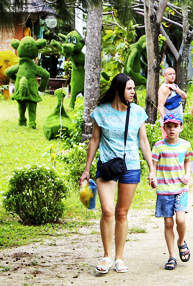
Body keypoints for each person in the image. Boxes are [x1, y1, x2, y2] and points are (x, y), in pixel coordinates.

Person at [79, 73, 153, 274]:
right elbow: (94, 140)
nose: (133, 92)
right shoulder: (101, 112)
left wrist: (152, 169)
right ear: (119, 90)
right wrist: (87, 170)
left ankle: (119, 258)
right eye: (129, 88)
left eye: (133, 88)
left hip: (130, 167)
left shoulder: (138, 112)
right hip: (107, 166)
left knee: (121, 213)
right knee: (108, 210)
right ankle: (106, 256)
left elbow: (144, 142)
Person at [149, 113, 192, 270]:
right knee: (168, 222)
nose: (172, 129)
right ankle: (172, 256)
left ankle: (181, 241)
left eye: (175, 126)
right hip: (164, 190)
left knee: (180, 220)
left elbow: (188, 161)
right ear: (164, 128)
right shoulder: (158, 146)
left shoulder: (185, 145)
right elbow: (153, 165)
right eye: (169, 126)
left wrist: (187, 174)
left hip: (181, 189)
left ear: (181, 127)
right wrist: (152, 176)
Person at [158, 67, 188, 138]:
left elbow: (185, 96)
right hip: (169, 123)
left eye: (174, 74)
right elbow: (160, 105)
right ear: (165, 76)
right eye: (170, 74)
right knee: (168, 143)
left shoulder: (174, 86)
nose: (172, 76)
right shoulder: (165, 88)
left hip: (177, 122)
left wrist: (176, 89)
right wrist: (165, 120)